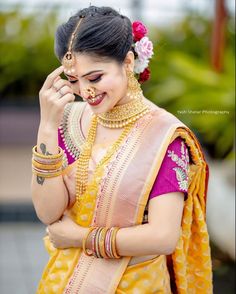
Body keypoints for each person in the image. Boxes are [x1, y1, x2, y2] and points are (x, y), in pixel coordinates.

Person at [31, 5, 213, 293]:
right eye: (73, 80)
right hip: (63, 281)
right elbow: (48, 212)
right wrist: (47, 126)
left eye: (94, 78)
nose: (85, 91)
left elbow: (163, 236)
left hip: (134, 283)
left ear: (127, 62)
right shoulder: (69, 120)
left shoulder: (164, 136)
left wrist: (80, 238)